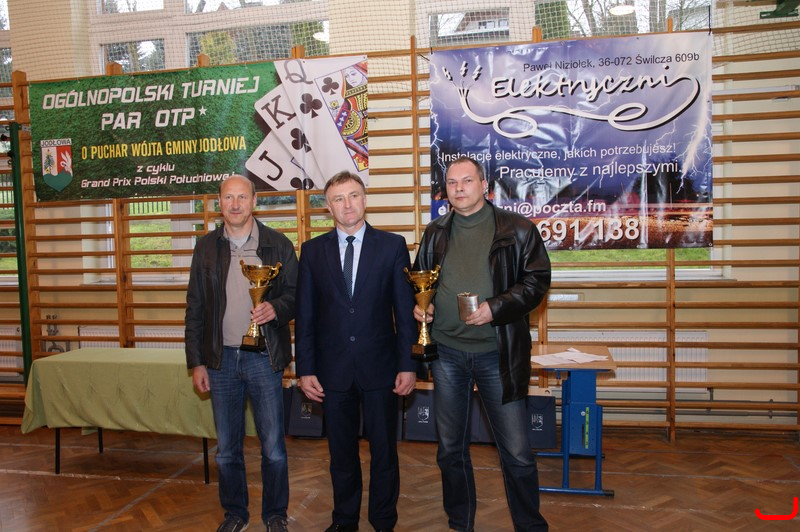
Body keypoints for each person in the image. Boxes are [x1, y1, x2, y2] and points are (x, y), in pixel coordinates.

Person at [413, 155, 551, 532]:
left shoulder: (518, 229)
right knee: (450, 450)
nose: (459, 188)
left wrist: (495, 307)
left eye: (467, 181)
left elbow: (537, 282)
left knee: (517, 453)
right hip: (447, 355)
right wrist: (422, 305)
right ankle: (461, 524)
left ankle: (531, 527)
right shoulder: (435, 232)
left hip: (497, 355)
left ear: (484, 185)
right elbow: (422, 280)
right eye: (452, 183)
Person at [295, 171, 418, 532]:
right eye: (338, 198)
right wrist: (305, 368)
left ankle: (383, 520)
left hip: (381, 369)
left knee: (384, 452)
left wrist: (408, 364)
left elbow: (405, 312)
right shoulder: (312, 251)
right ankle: (344, 519)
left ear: (364, 200)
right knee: (341, 454)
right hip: (332, 371)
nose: (347, 205)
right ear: (328, 206)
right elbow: (305, 315)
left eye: (353, 196)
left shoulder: (392, 246)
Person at [185, 174, 298, 532]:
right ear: (219, 202)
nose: (235, 204)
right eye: (228, 197)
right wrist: (196, 363)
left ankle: (275, 514)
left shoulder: (278, 244)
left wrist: (275, 308)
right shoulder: (205, 247)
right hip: (219, 361)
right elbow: (195, 308)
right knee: (227, 450)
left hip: (264, 358)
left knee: (273, 447)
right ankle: (235, 513)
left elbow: (296, 295)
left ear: (254, 201)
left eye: (242, 197)